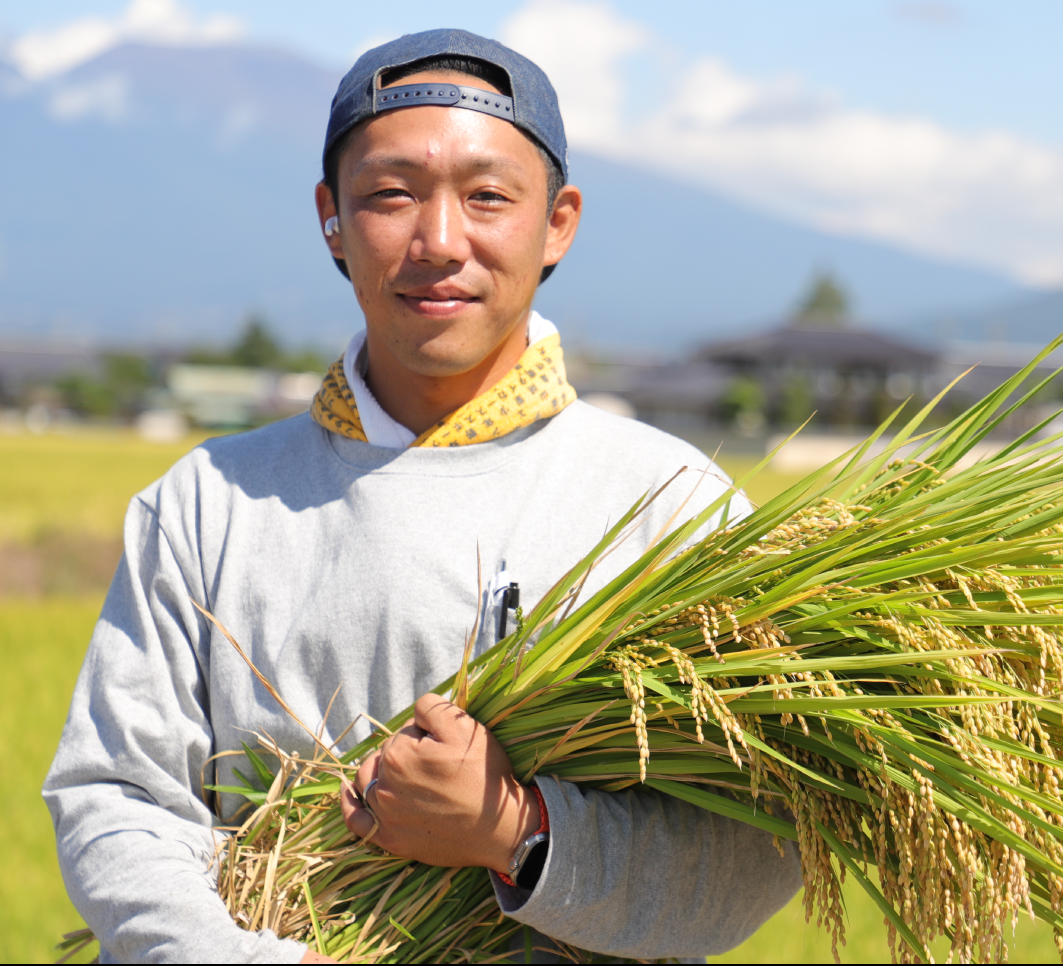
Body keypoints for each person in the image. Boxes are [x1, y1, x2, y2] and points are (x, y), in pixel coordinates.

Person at [43, 29, 802, 964]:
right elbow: (117, 795)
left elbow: (759, 847)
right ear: (330, 217)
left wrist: (516, 831)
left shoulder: (668, 507)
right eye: (390, 195)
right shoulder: (207, 504)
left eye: (488, 197)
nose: (439, 242)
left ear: (557, 221)